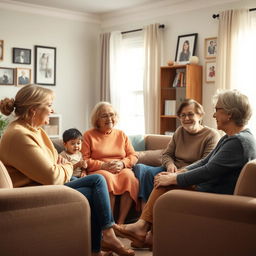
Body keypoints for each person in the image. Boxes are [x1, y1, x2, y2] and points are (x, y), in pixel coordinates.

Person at [0, 85, 134, 256]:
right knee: (97, 183)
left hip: (42, 185)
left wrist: (60, 165)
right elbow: (53, 177)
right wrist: (69, 165)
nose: (52, 109)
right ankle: (109, 234)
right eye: (49, 105)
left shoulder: (34, 130)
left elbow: (55, 161)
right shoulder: (19, 135)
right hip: (34, 193)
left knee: (95, 186)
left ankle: (101, 243)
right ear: (34, 110)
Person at [114, 89, 256, 250]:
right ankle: (149, 235)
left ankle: (141, 228)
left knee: (165, 184)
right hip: (212, 186)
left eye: (217, 110)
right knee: (164, 178)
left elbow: (208, 171)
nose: (214, 115)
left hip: (217, 193)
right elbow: (205, 162)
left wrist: (174, 179)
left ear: (229, 114)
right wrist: (178, 173)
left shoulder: (238, 142)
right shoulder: (232, 137)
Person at [133, 99, 220, 209]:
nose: (186, 118)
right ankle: (144, 212)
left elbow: (205, 162)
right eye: (182, 115)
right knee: (145, 171)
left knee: (159, 178)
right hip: (172, 170)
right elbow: (167, 154)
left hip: (190, 175)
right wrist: (170, 165)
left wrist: (179, 173)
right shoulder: (179, 131)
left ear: (200, 115)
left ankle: (151, 214)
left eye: (190, 114)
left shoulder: (211, 135)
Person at [82, 102, 139, 224]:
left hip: (120, 168)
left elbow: (133, 155)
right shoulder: (88, 135)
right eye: (104, 116)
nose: (109, 119)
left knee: (129, 177)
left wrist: (123, 164)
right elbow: (84, 160)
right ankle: (109, 223)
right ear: (97, 119)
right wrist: (103, 165)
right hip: (100, 169)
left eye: (112, 115)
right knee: (107, 178)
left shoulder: (121, 134)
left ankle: (121, 223)